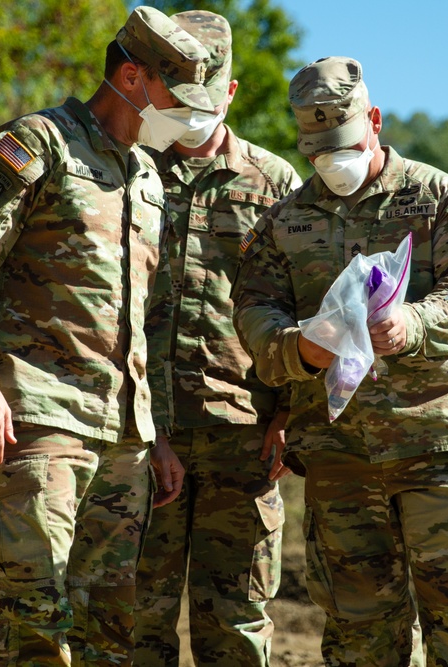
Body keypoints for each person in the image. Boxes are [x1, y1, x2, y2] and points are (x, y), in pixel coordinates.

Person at [0, 7, 217, 665]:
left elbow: (143, 314)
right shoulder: (39, 143)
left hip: (125, 438)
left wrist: (157, 429)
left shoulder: (145, 175)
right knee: (33, 623)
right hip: (41, 415)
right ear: (133, 77)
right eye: (177, 98)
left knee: (109, 633)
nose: (187, 116)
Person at [231, 56, 448, 666]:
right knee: (359, 634)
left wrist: (412, 321)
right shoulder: (283, 223)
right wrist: (299, 348)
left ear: (375, 121)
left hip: (432, 443)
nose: (333, 163)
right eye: (317, 153)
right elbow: (254, 313)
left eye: (345, 146)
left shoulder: (444, 201)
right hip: (338, 460)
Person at [133, 10, 302, 667]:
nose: (185, 114)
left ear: (229, 93)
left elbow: (307, 306)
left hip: (246, 440)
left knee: (234, 631)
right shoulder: (128, 171)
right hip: (143, 436)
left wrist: (293, 414)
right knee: (131, 627)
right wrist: (145, 428)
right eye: (172, 100)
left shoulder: (276, 183)